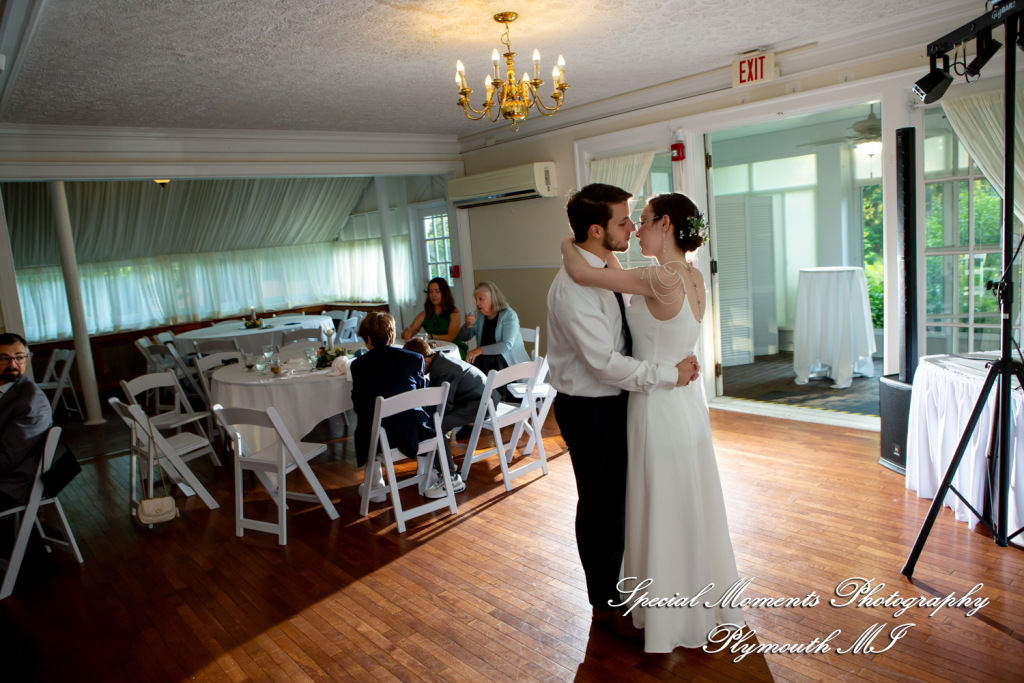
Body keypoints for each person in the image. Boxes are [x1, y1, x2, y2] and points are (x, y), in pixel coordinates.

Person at [560, 190, 745, 652]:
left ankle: (663, 611)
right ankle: (689, 599)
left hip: (657, 401)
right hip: (678, 403)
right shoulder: (691, 275)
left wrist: (569, 245)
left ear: (665, 224)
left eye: (640, 221)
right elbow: (604, 276)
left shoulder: (659, 278)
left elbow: (585, 271)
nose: (635, 229)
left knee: (658, 503)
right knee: (683, 501)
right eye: (628, 222)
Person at [350, 312, 434, 503]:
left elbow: (359, 406)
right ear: (392, 335)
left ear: (368, 339)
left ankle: (376, 485)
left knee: (366, 423)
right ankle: (425, 476)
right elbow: (421, 397)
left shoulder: (358, 365)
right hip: (413, 431)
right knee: (417, 415)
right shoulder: (414, 359)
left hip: (381, 437)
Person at [404, 338, 501, 498]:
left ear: (423, 361)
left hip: (480, 405)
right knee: (431, 422)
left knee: (435, 426)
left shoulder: (444, 370)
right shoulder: (440, 361)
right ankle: (438, 464)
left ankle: (450, 478)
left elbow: (444, 406)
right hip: (478, 398)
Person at [0, 332, 53, 512]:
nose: (12, 365)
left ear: (27, 359)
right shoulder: (6, 390)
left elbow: (5, 458)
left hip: (11, 485)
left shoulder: (31, 403)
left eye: (19, 357)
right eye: (4, 358)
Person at [458, 281, 529, 377]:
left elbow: (506, 345)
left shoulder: (509, 315)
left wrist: (479, 350)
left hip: (509, 362)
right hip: (487, 361)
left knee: (479, 364)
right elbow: (463, 337)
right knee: (471, 364)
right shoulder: (479, 315)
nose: (477, 303)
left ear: (493, 298)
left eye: (481, 299)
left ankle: (484, 391)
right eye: (476, 299)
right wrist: (468, 325)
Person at [401, 277, 468, 359]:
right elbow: (407, 332)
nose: (433, 295)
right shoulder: (424, 314)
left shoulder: (454, 313)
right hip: (433, 350)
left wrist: (431, 336)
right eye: (430, 292)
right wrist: (407, 333)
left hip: (454, 349)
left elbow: (451, 337)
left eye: (437, 291)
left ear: (444, 293)